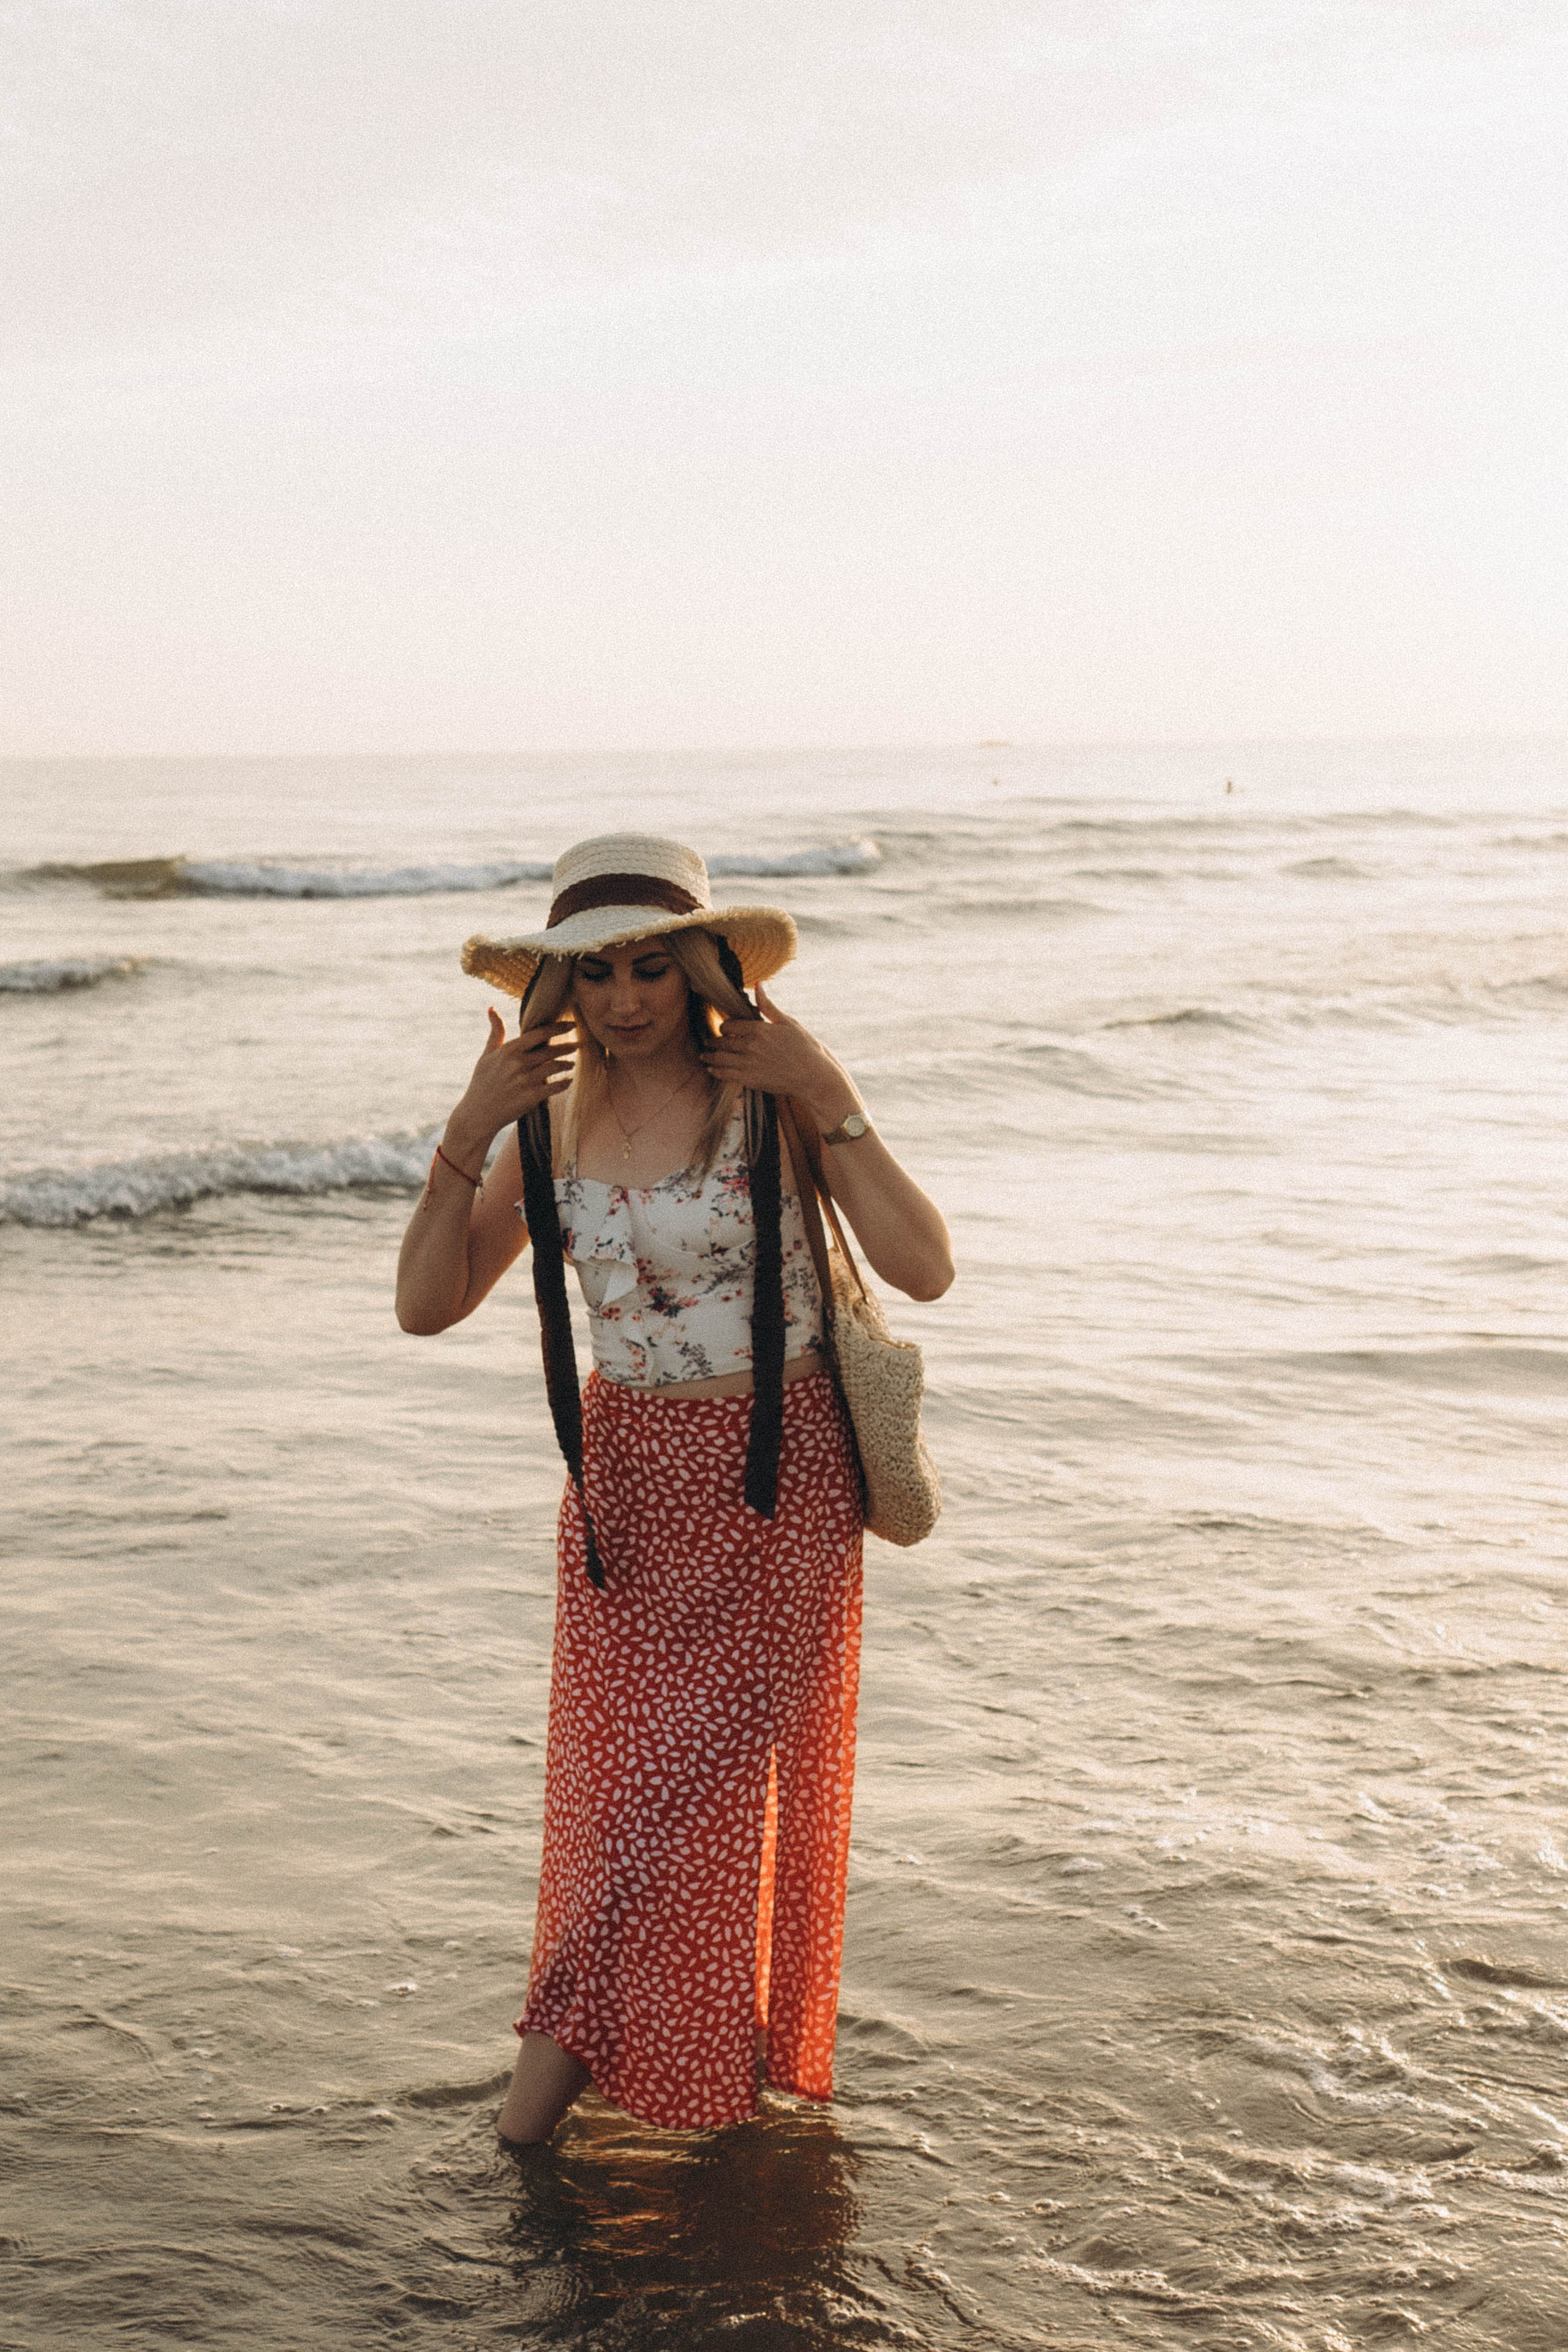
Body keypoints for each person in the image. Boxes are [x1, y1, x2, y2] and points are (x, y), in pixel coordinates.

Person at [395, 833, 954, 2146]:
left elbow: (921, 1266)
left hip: (778, 1486)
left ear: (700, 967)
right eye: (596, 977)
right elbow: (425, 1307)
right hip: (626, 1500)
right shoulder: (542, 1128)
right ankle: (686, 2094)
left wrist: (831, 1088)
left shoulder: (767, 1099)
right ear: (557, 993)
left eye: (652, 966)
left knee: (668, 1815)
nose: (627, 999)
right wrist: (466, 1131)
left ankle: (525, 2131)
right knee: (622, 1818)